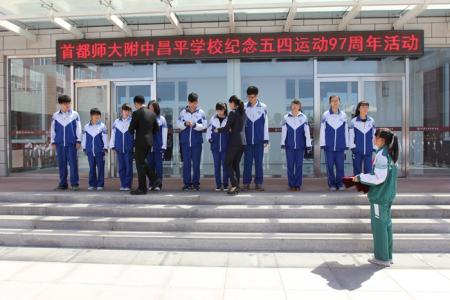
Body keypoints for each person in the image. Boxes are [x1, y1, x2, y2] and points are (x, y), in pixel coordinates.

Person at [353, 128, 399, 267]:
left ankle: (382, 258)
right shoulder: (390, 154)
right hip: (388, 195)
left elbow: (378, 178)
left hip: (380, 197)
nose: (374, 139)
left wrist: (360, 177)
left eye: (376, 137)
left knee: (379, 227)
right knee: (386, 226)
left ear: (382, 140)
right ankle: (387, 256)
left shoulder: (382, 156)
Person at [128, 95, 160, 195]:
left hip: (140, 142)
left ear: (136, 103)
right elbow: (156, 129)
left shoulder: (136, 113)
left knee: (139, 165)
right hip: (149, 142)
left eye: (135, 105)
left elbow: (130, 130)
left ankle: (142, 188)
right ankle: (155, 179)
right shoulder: (152, 113)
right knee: (142, 162)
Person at [176, 92, 207, 191]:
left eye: (195, 103)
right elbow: (178, 124)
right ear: (188, 102)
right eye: (191, 103)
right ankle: (187, 183)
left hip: (196, 143)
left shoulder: (201, 112)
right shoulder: (183, 112)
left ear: (197, 102)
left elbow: (204, 126)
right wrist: (185, 123)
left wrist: (194, 125)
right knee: (186, 164)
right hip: (185, 143)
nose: (193, 105)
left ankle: (196, 184)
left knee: (196, 164)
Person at [216, 95, 246, 195]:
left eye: (230, 103)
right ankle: (236, 187)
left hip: (234, 142)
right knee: (235, 164)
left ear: (233, 103)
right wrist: (231, 128)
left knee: (227, 163)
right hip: (242, 142)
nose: (229, 105)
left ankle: (233, 185)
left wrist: (217, 130)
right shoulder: (243, 112)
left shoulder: (233, 113)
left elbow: (225, 128)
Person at [50, 95, 82, 191]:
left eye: (69, 103)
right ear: (60, 104)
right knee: (62, 164)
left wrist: (78, 140)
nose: (67, 105)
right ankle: (63, 184)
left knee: (73, 164)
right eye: (65, 103)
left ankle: (74, 184)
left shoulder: (75, 114)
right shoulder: (55, 115)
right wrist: (53, 141)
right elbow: (52, 129)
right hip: (59, 144)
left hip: (71, 144)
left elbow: (78, 128)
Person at [281, 99, 312, 191]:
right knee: (290, 166)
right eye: (293, 105)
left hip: (300, 146)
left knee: (299, 166)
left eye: (296, 105)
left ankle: (297, 184)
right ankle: (291, 184)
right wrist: (282, 143)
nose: (294, 106)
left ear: (299, 107)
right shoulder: (286, 117)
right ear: (291, 106)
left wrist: (308, 144)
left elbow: (307, 132)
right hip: (289, 146)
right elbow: (284, 132)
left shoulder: (304, 117)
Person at [320, 95, 349, 191]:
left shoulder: (343, 115)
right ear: (330, 103)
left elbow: (346, 130)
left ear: (339, 102)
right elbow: (322, 130)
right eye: (333, 101)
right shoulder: (325, 115)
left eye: (337, 101)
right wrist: (323, 144)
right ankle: (332, 184)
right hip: (329, 146)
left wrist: (347, 144)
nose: (335, 102)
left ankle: (340, 184)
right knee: (330, 166)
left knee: (340, 166)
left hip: (340, 146)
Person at [243, 86, 269, 191]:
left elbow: (265, 123)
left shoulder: (263, 107)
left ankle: (258, 183)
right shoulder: (244, 107)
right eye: (249, 97)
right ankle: (246, 183)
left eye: (253, 97)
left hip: (259, 140)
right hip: (247, 141)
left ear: (257, 96)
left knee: (259, 163)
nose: (251, 99)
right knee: (247, 163)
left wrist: (266, 139)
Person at [82, 108, 108, 191]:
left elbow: (105, 138)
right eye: (95, 115)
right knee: (91, 168)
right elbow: (84, 138)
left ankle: (100, 184)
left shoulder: (102, 126)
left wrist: (105, 148)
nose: (97, 117)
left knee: (100, 168)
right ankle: (92, 184)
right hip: (90, 151)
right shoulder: (86, 126)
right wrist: (84, 148)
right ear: (91, 116)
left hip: (99, 151)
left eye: (98, 115)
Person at [110, 104, 134, 191]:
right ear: (122, 111)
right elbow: (113, 134)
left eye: (128, 110)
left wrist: (134, 145)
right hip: (119, 147)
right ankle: (123, 184)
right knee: (121, 167)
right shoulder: (116, 122)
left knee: (128, 166)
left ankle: (128, 185)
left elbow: (135, 135)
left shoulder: (132, 121)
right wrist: (112, 145)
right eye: (125, 110)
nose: (126, 112)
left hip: (128, 147)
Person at [206, 102, 229, 191]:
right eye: (218, 109)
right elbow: (208, 131)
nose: (220, 112)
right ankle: (218, 185)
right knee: (217, 166)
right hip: (215, 147)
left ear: (225, 109)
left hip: (225, 147)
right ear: (216, 110)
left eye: (222, 109)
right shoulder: (212, 119)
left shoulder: (228, 119)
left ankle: (226, 185)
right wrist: (210, 140)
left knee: (225, 166)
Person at [349, 101, 376, 175]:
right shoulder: (353, 121)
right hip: (357, 150)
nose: (365, 109)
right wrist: (352, 147)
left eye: (366, 107)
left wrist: (374, 146)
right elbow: (351, 135)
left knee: (368, 169)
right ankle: (358, 185)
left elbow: (374, 135)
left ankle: (367, 186)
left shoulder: (371, 121)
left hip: (368, 150)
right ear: (359, 109)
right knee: (357, 168)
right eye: (363, 107)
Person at [147, 100, 168, 191]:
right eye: (149, 107)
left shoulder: (161, 119)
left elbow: (164, 133)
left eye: (152, 107)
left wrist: (163, 146)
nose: (151, 108)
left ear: (156, 108)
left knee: (158, 167)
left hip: (158, 146)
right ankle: (151, 184)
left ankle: (158, 185)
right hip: (148, 147)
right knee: (150, 167)